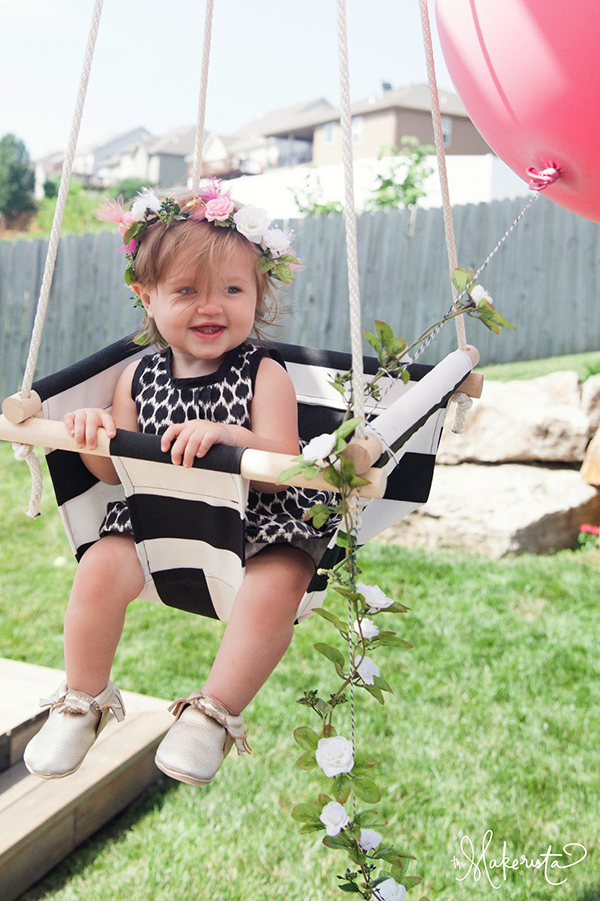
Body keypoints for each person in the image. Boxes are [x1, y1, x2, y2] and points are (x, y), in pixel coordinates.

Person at [24, 182, 338, 786]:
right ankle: (82, 699)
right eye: (187, 290)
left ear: (258, 293)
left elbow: (286, 460)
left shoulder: (263, 372)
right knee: (97, 569)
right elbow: (114, 471)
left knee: (283, 580)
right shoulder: (135, 375)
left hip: (253, 522)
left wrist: (230, 434)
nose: (211, 306)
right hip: (152, 521)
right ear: (147, 297)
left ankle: (214, 714)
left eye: (232, 289)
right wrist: (95, 434)